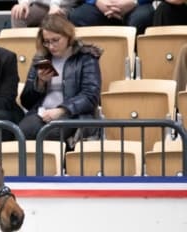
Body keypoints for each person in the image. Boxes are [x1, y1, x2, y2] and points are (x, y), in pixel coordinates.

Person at [19, 14, 102, 145]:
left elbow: (90, 96)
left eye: (55, 40)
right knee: (22, 131)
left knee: (52, 134)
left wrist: (62, 110)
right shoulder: (41, 58)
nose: (51, 46)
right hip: (43, 113)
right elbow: (26, 101)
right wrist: (40, 83)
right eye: (47, 41)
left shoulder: (86, 57)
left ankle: (52, 165)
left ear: (68, 36)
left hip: (73, 115)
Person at [68, 0, 154, 35]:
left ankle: (135, 66)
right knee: (78, 17)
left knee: (142, 18)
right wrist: (96, 1)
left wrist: (134, 2)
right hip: (102, 6)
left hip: (136, 5)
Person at [11, 0, 78, 28]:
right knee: (18, 14)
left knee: (54, 18)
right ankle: (22, 50)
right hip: (40, 5)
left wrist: (54, 5)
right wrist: (23, 3)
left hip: (63, 5)